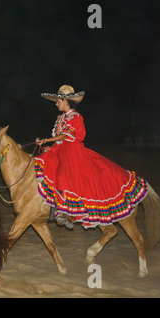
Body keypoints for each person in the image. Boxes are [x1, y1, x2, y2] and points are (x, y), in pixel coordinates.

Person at [35, 85, 148, 229]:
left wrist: (47, 140)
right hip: (61, 150)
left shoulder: (76, 117)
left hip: (73, 152)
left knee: (66, 176)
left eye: (58, 100)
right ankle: (60, 209)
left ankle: (68, 212)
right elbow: (59, 139)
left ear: (65, 101)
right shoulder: (60, 118)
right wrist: (48, 145)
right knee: (47, 167)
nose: (56, 103)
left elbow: (66, 135)